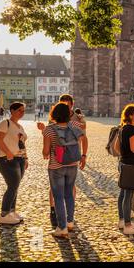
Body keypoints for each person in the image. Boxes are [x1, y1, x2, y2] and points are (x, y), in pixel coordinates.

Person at [38, 94, 87, 228]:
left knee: (58, 196)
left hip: (56, 166)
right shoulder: (75, 125)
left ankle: (62, 227)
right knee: (69, 194)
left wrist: (45, 138)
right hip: (72, 164)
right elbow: (83, 133)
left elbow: (45, 152)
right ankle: (70, 222)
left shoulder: (49, 129)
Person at [114, 104, 134, 235]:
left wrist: (124, 154)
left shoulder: (122, 128)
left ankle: (122, 220)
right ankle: (127, 225)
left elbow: (116, 147)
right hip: (131, 165)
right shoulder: (132, 129)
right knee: (128, 195)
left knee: (122, 194)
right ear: (131, 115)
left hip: (123, 163)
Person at [0, 102, 28, 225]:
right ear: (12, 111)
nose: (22, 113)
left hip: (20, 159)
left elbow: (22, 143)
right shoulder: (5, 123)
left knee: (15, 186)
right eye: (20, 110)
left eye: (23, 110)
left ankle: (11, 212)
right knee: (12, 186)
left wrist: (26, 158)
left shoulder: (20, 127)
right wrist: (8, 152)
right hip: (6, 159)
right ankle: (4, 214)